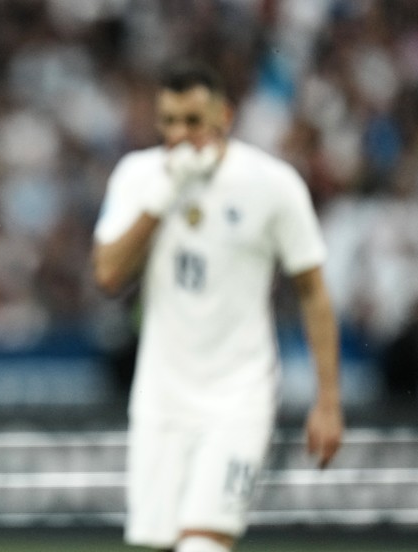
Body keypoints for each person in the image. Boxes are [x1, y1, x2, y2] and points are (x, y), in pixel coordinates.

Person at [92, 60, 343, 552]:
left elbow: (312, 289)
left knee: (203, 543)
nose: (180, 134)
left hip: (239, 395)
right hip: (161, 398)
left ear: (224, 115)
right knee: (165, 542)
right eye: (168, 121)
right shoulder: (139, 176)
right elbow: (107, 273)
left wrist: (328, 401)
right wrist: (164, 194)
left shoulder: (272, 184)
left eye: (193, 120)